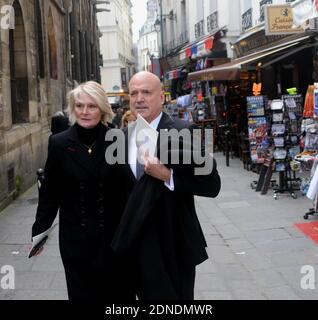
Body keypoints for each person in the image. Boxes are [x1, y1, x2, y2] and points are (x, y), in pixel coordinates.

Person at [111, 71, 221, 300]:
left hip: (173, 241)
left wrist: (168, 176)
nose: (139, 98)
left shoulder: (187, 130)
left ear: (162, 97)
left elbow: (212, 185)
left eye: (146, 92)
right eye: (134, 93)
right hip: (135, 242)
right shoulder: (119, 138)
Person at [31, 81, 134, 301]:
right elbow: (50, 193)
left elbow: (129, 189)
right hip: (75, 239)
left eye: (91, 106)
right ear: (72, 108)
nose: (84, 112)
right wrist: (40, 232)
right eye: (79, 106)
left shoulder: (116, 139)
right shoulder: (59, 143)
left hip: (114, 239)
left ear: (103, 109)